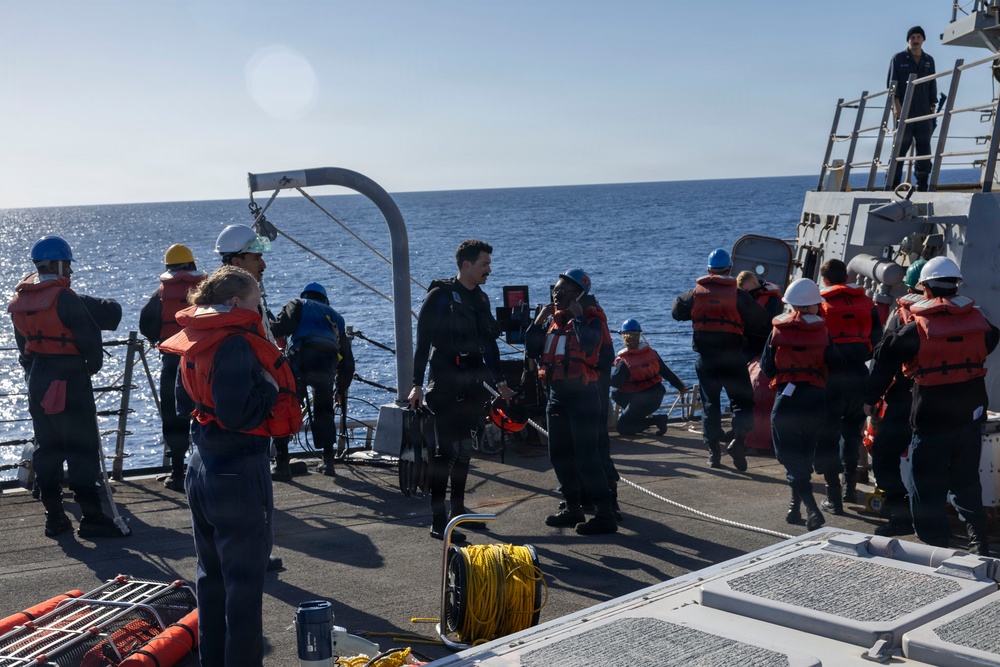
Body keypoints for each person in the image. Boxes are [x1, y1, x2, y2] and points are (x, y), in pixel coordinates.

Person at [159, 265, 302, 667]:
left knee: (211, 577)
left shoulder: (193, 336)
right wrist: (270, 392)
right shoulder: (236, 342)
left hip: (200, 463)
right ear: (237, 303)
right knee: (244, 583)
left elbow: (182, 405)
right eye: (257, 303)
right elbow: (237, 413)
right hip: (239, 469)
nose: (260, 312)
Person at [863, 257, 998, 554]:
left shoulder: (916, 329)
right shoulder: (981, 324)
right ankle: (979, 540)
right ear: (956, 286)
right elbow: (991, 340)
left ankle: (937, 545)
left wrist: (870, 399)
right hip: (970, 413)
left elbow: (885, 359)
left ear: (924, 289)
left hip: (931, 416)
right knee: (966, 479)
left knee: (925, 483)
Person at [8, 235, 125, 538]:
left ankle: (55, 517)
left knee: (47, 448)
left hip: (39, 378)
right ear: (58, 264)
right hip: (69, 378)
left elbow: (24, 345)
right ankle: (92, 518)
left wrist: (35, 370)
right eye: (68, 266)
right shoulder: (64, 297)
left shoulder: (20, 301)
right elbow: (90, 340)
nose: (70, 273)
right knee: (81, 448)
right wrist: (90, 367)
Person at [407, 239, 512, 541]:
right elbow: (423, 343)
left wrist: (501, 382)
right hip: (444, 382)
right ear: (466, 265)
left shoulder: (480, 299)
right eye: (484, 264)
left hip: (472, 381)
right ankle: (438, 518)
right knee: (446, 453)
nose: (489, 270)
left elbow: (489, 345)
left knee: (465, 450)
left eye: (489, 264)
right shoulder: (440, 296)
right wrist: (416, 385)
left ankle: (458, 511)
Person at [526, 268, 618, 535]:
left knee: (588, 458)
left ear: (577, 295)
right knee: (559, 454)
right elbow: (533, 350)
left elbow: (591, 346)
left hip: (584, 397)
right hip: (557, 396)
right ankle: (572, 506)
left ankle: (604, 514)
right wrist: (537, 323)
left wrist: (578, 318)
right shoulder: (554, 322)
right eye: (554, 290)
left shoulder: (591, 320)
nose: (556, 295)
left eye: (562, 291)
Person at [672, 248, 770, 470]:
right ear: (729, 270)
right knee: (742, 402)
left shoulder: (695, 294)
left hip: (706, 360)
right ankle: (738, 438)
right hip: (733, 358)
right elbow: (762, 320)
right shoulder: (738, 295)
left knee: (710, 405)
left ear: (708, 270)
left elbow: (676, 312)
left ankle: (713, 454)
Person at [761, 278, 842, 530]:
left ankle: (812, 509)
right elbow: (838, 364)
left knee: (789, 456)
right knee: (804, 456)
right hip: (815, 400)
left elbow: (766, 368)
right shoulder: (823, 333)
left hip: (787, 399)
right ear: (812, 307)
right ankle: (795, 508)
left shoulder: (776, 332)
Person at [862, 259, 925, 537]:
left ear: (910, 285)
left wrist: (871, 397)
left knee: (885, 453)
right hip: (950, 398)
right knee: (935, 457)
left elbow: (883, 360)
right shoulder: (964, 313)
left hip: (905, 396)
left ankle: (900, 516)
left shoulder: (902, 316)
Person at [815, 259, 883, 515]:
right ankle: (849, 488)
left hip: (829, 378)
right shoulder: (867, 303)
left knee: (829, 436)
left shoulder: (821, 304)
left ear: (825, 280)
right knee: (852, 434)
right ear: (846, 276)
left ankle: (834, 498)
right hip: (858, 375)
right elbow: (877, 340)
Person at [138, 244, 205, 492]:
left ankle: (177, 472)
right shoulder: (207, 288)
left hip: (172, 360)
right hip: (203, 359)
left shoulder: (161, 293)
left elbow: (146, 323)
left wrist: (159, 339)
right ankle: (210, 466)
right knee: (207, 410)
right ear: (192, 265)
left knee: (174, 414)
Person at [271, 281, 355, 477]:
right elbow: (347, 362)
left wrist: (265, 326)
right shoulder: (336, 317)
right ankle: (328, 462)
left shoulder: (297, 303)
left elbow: (283, 327)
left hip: (301, 358)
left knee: (286, 405)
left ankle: (282, 463)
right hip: (327, 363)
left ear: (305, 295)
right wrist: (341, 390)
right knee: (324, 410)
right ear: (325, 299)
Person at [610, 319, 686, 436]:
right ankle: (639, 419)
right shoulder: (652, 353)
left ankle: (655, 421)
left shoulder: (624, 362)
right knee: (616, 393)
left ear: (624, 338)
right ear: (639, 335)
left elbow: (615, 382)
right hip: (657, 396)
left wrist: (602, 371)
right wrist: (680, 386)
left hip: (641, 401)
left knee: (623, 428)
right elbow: (666, 372)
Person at [888, 25, 937, 191]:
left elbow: (932, 84)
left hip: (923, 109)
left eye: (918, 37)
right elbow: (892, 85)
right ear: (908, 40)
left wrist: (932, 106)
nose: (915, 40)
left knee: (924, 148)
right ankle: (892, 184)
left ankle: (922, 185)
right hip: (904, 109)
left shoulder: (929, 60)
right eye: (912, 37)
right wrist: (896, 107)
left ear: (923, 39)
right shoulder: (898, 59)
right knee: (900, 147)